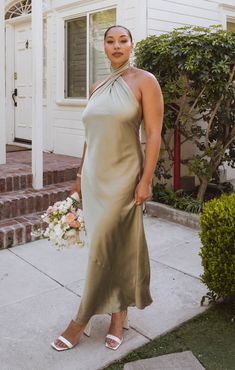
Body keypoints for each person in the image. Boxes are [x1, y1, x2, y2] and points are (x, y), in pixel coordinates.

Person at [51, 24, 163, 352]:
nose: (117, 46)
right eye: (110, 41)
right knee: (110, 249)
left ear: (132, 45)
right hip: (94, 180)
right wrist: (78, 177)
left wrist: (146, 180)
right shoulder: (98, 85)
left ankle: (81, 319)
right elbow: (90, 137)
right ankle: (118, 315)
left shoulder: (145, 81)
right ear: (104, 47)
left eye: (122, 40)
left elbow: (154, 134)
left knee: (105, 248)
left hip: (126, 179)